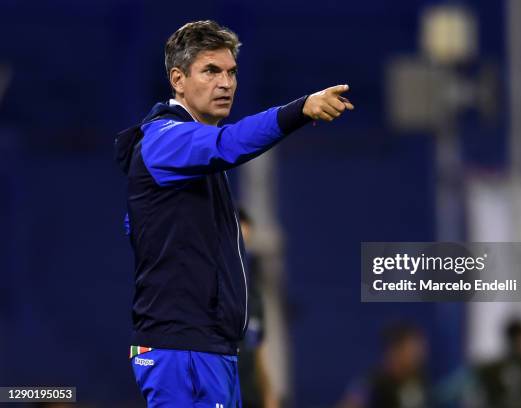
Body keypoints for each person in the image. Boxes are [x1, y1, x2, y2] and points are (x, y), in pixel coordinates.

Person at [114, 20, 353, 407]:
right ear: (178, 79)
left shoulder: (190, 150)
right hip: (182, 350)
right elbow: (230, 143)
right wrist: (300, 109)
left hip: (211, 349)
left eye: (231, 72)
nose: (226, 83)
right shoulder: (164, 139)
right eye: (211, 71)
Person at [236, 209, 279, 408]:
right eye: (236, 243)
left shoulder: (254, 299)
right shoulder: (205, 293)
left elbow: (257, 352)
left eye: (246, 245)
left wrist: (269, 395)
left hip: (250, 398)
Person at [337, 322, 430, 408]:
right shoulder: (372, 382)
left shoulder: (420, 379)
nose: (420, 354)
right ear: (395, 350)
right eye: (412, 349)